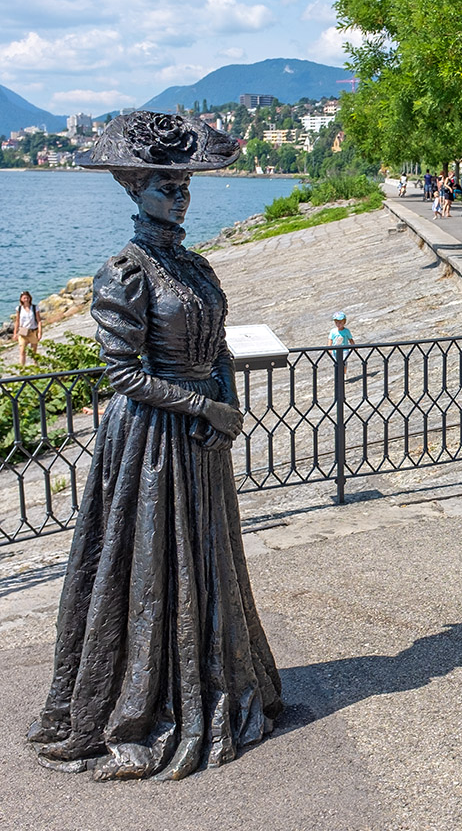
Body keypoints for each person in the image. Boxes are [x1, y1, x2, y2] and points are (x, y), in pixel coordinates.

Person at [27, 111, 282, 781]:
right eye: (166, 184)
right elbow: (123, 375)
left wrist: (225, 407)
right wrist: (203, 406)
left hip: (200, 436)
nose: (180, 194)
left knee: (205, 559)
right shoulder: (126, 271)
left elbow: (219, 345)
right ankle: (140, 703)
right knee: (145, 565)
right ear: (135, 188)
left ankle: (210, 682)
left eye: (184, 183)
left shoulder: (194, 267)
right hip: (148, 440)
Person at [13, 290, 42, 366]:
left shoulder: (35, 308)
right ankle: (22, 369)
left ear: (30, 298)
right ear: (21, 299)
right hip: (22, 333)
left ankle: (36, 367)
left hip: (33, 331)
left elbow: (39, 320)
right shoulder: (19, 308)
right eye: (24, 298)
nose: (26, 299)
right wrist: (15, 333)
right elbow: (17, 321)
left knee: (34, 352)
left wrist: (39, 332)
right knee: (22, 351)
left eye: (27, 298)